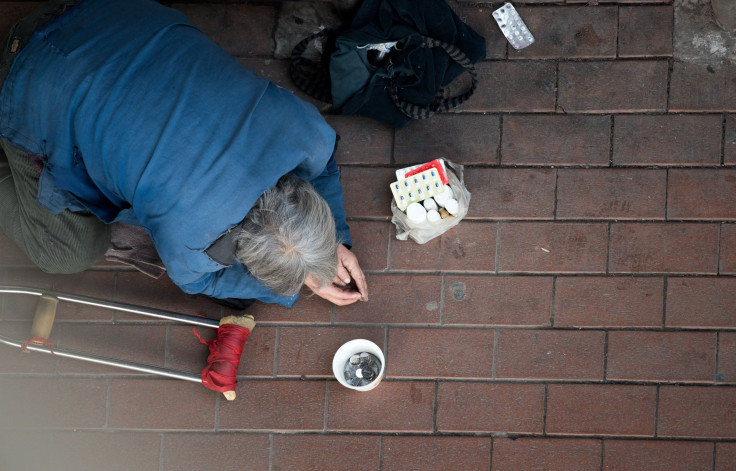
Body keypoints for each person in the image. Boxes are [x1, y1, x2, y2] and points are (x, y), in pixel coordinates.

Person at [0, 0, 368, 309]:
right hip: (28, 74)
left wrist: (333, 242)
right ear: (240, 254)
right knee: (68, 253)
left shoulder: (304, 133)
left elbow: (325, 165)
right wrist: (304, 283)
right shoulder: (192, 242)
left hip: (104, 14)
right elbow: (200, 284)